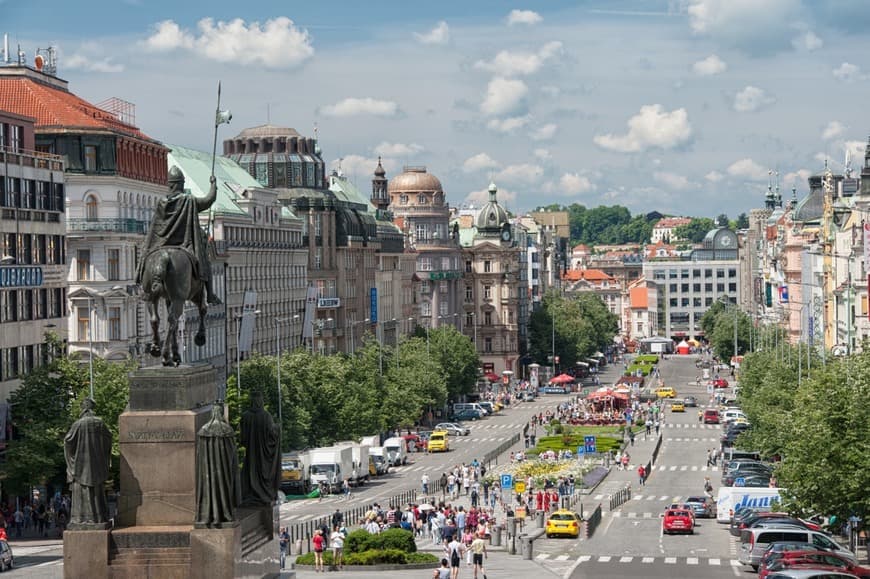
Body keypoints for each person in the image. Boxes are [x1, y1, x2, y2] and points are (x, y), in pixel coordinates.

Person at [136, 166, 221, 305]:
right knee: (205, 263)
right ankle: (210, 295)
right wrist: (213, 184)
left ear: (170, 185)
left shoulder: (161, 203)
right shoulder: (188, 200)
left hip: (161, 244)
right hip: (183, 245)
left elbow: (155, 228)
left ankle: (143, 284)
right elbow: (208, 200)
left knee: (145, 257)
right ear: (180, 184)